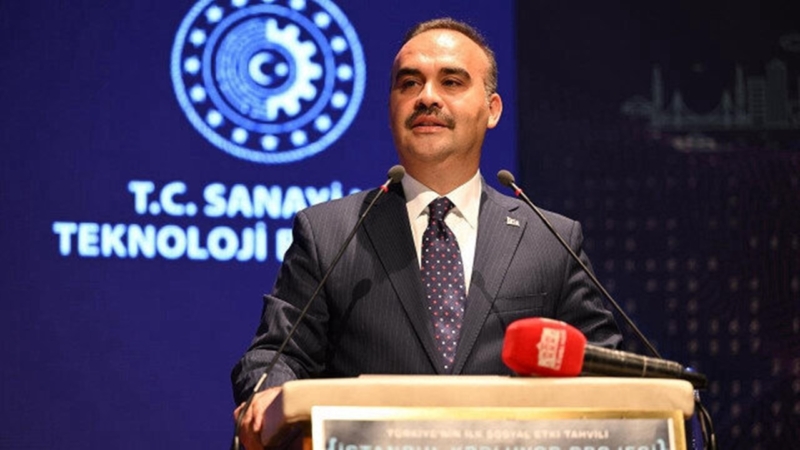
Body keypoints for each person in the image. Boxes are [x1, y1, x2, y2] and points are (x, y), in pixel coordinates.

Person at [231, 17, 621, 449]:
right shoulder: (329, 233)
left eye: (451, 82)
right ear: (391, 106)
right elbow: (277, 355)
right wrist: (267, 391)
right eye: (409, 84)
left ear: (492, 110)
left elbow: (607, 370)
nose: (427, 97)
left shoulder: (549, 239)